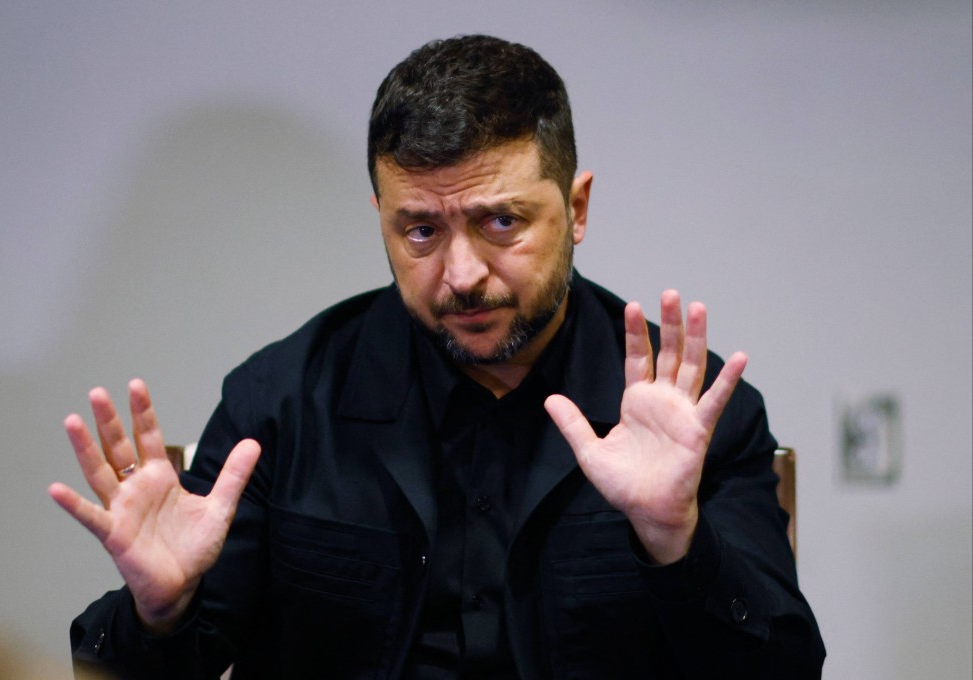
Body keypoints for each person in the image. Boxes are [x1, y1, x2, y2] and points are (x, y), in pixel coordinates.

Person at [50, 34, 825, 679]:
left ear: (577, 208)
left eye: (500, 223)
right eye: (420, 231)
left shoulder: (690, 414)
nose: (461, 276)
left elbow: (785, 666)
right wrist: (160, 610)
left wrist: (676, 542)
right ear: (382, 217)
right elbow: (129, 667)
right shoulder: (282, 403)